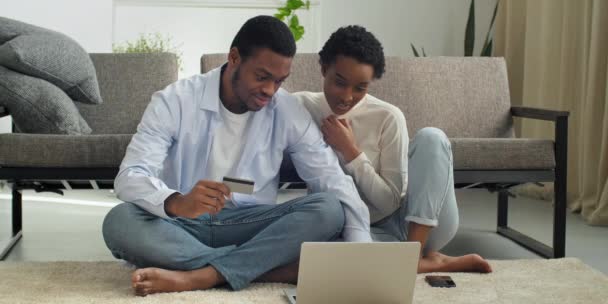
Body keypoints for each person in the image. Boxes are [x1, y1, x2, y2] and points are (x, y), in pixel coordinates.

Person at [102, 16, 372, 296]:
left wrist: (360, 255)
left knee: (328, 208)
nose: (270, 90)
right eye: (262, 76)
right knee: (119, 222)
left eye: (279, 81)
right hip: (181, 225)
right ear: (234, 58)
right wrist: (177, 202)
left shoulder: (287, 111)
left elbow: (332, 179)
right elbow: (130, 175)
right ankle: (265, 269)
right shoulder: (176, 100)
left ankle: (200, 275)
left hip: (249, 226)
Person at [295, 25, 492, 273]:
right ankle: (429, 263)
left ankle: (412, 256)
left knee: (432, 137)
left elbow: (389, 202)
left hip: (411, 222)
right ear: (324, 69)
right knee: (315, 257)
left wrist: (351, 151)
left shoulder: (388, 116)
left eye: (360, 88)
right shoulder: (301, 107)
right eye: (339, 82)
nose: (347, 96)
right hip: (350, 229)